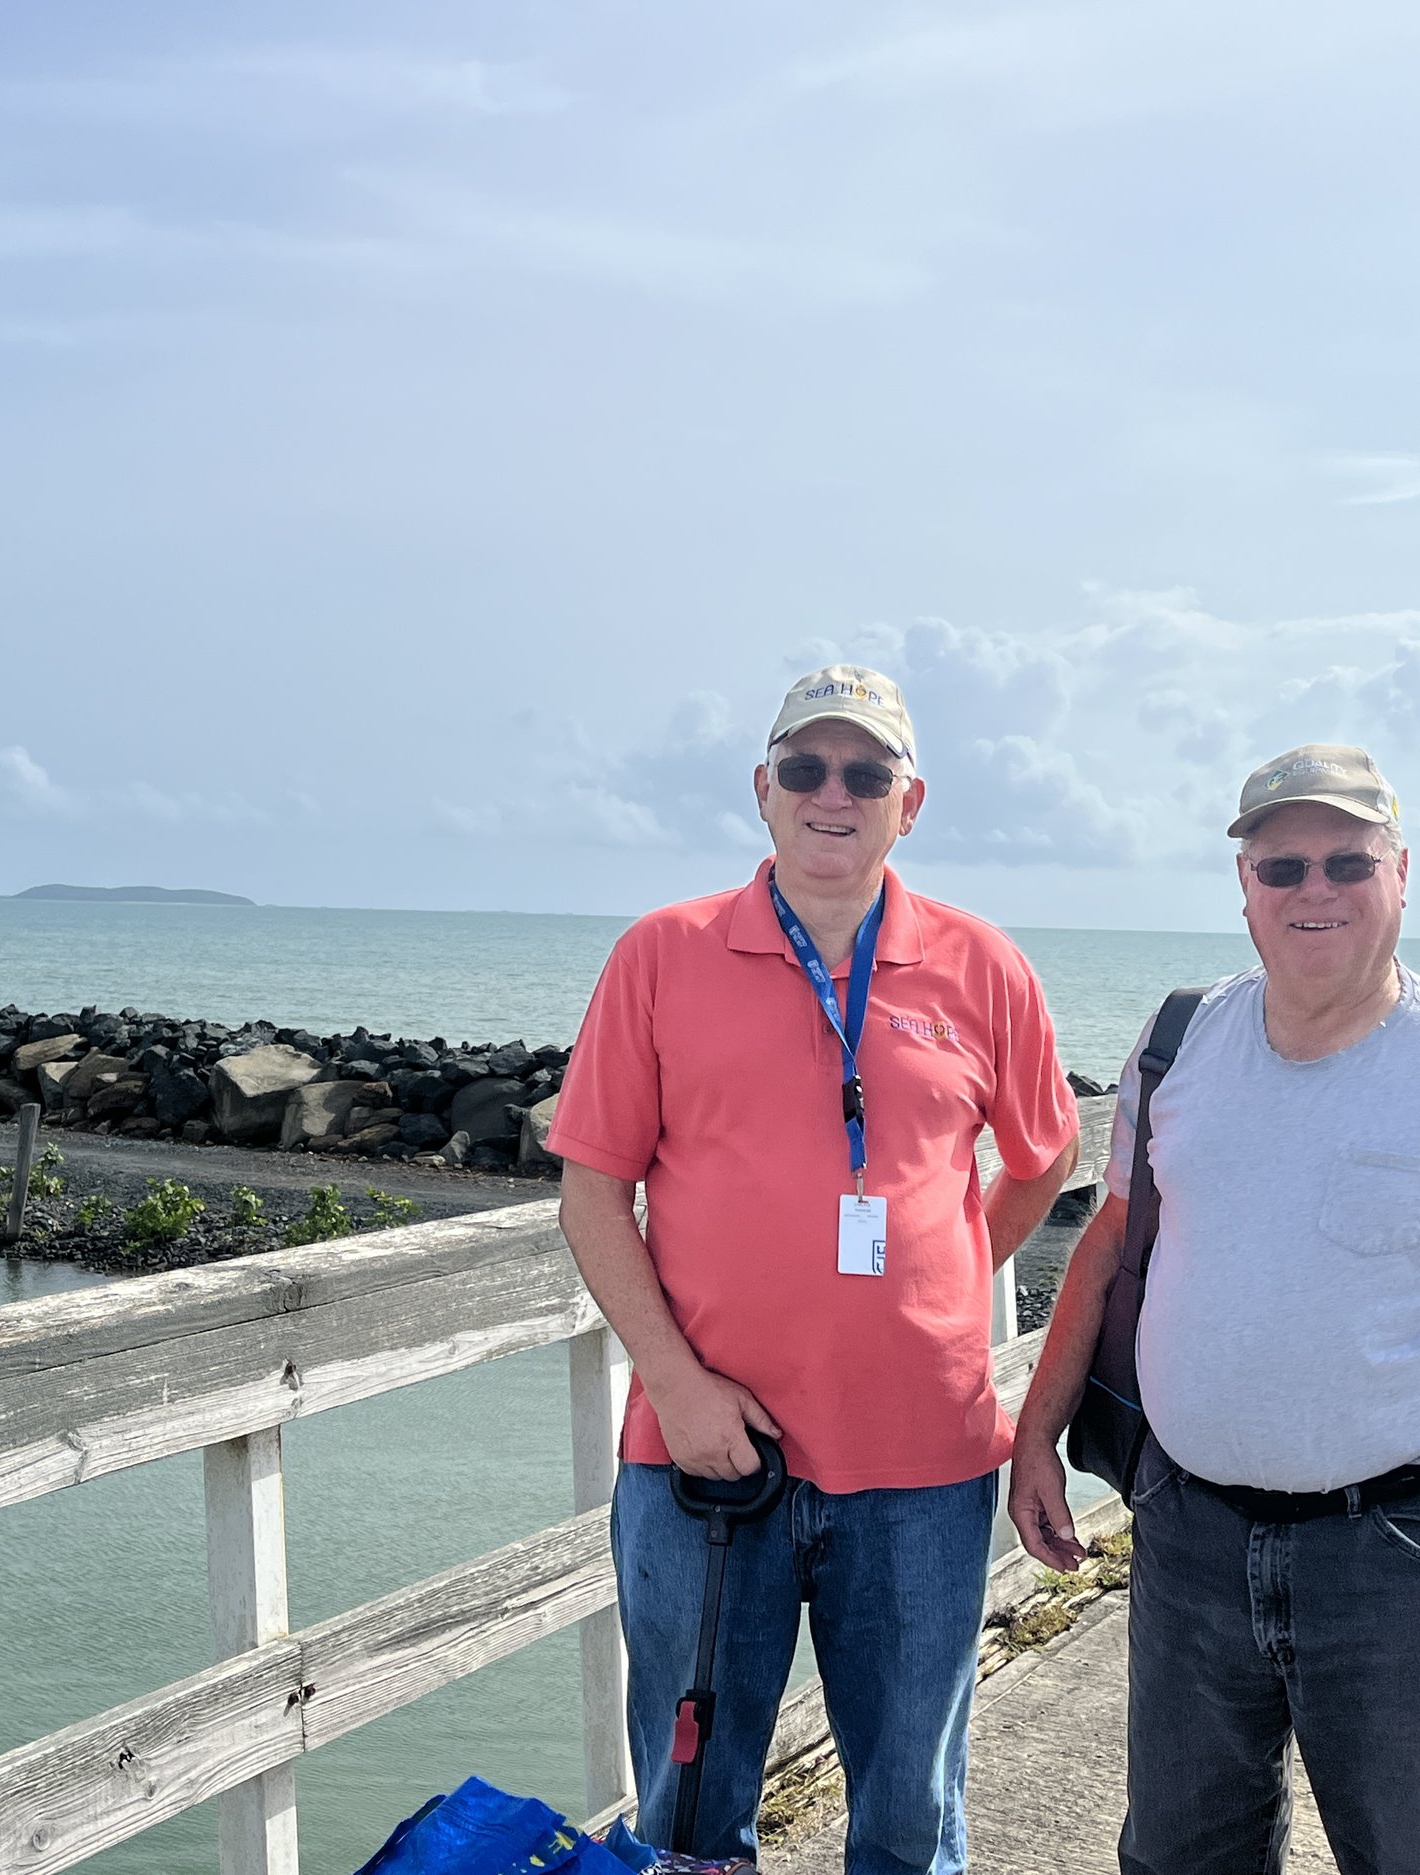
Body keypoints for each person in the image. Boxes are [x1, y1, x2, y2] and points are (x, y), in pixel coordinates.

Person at [1008, 743, 1420, 1875]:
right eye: (1281, 868)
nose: (1313, 891)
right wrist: (1035, 1433)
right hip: (1185, 1536)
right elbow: (1109, 1240)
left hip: (1398, 1557)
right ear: (1244, 885)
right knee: (1179, 1857)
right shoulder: (1179, 1038)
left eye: (1347, 861)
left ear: (1400, 873)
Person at [549, 664, 1082, 1875]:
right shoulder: (661, 953)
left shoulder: (981, 963)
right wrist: (677, 1387)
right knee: (688, 1818)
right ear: (762, 789)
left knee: (907, 1816)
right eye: (805, 768)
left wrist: (946, 1279)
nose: (831, 794)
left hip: (922, 1464)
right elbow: (591, 1188)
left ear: (912, 800)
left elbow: (1044, 1158)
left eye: (865, 772)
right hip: (705, 1460)